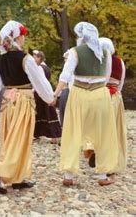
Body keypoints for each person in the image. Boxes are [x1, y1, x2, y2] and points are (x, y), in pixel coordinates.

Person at [0, 20, 54, 194]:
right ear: (16, 38)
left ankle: (17, 178)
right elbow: (39, 81)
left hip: (7, 101)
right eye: (22, 36)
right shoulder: (25, 59)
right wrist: (49, 97)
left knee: (10, 138)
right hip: (23, 100)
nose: (23, 39)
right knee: (20, 139)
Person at [53, 22, 118, 187]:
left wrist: (56, 93)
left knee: (74, 132)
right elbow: (106, 76)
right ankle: (102, 174)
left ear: (81, 36)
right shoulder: (105, 53)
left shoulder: (75, 52)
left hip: (80, 94)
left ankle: (69, 174)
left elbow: (66, 75)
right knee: (103, 134)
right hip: (100, 95)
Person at [98, 37, 127, 175]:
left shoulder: (99, 60)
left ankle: (98, 154)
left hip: (100, 94)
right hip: (115, 95)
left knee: (100, 127)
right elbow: (121, 82)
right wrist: (117, 92)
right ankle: (113, 161)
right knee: (115, 129)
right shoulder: (120, 61)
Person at [32, 50, 62, 143]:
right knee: (46, 113)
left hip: (41, 93)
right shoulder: (47, 68)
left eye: (35, 57)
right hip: (44, 92)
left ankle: (54, 136)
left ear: (39, 58)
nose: (33, 59)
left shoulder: (40, 68)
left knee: (46, 113)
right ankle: (39, 134)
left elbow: (42, 82)